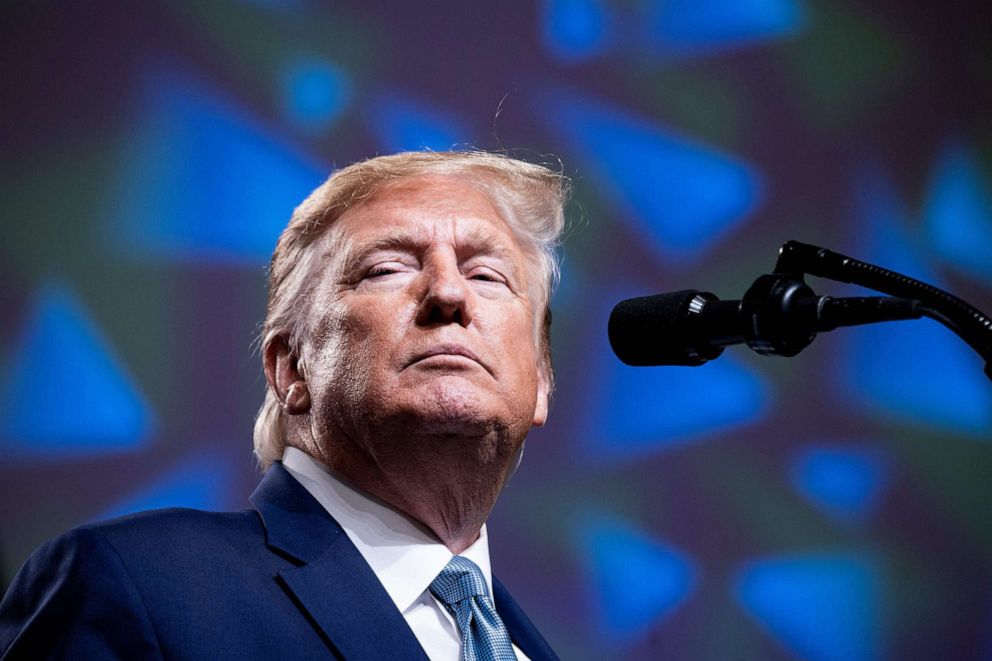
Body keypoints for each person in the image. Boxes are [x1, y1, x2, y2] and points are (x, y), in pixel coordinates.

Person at [0, 151, 568, 660]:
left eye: (488, 275)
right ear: (291, 368)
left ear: (542, 380)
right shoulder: (136, 587)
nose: (448, 293)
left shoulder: (522, 644)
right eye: (387, 268)